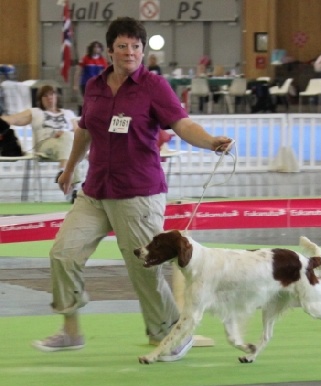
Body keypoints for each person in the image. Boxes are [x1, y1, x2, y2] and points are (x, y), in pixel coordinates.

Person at [32, 17, 232, 360]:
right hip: (95, 190)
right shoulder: (94, 86)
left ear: (143, 50)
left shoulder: (154, 86)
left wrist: (211, 141)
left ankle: (168, 335)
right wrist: (70, 169)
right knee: (63, 254)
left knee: (145, 270)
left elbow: (181, 124)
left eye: (136, 46)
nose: (130, 52)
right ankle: (71, 331)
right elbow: (84, 131)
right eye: (122, 46)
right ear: (109, 51)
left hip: (138, 192)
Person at [0, 85, 81, 202]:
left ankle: (64, 174)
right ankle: (73, 187)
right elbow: (13, 119)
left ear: (56, 96)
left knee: (72, 142)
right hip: (45, 145)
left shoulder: (68, 113)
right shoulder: (35, 112)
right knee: (73, 148)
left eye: (52, 94)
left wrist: (64, 133)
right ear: (40, 99)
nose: (49, 98)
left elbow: (78, 132)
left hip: (67, 143)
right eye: (45, 95)